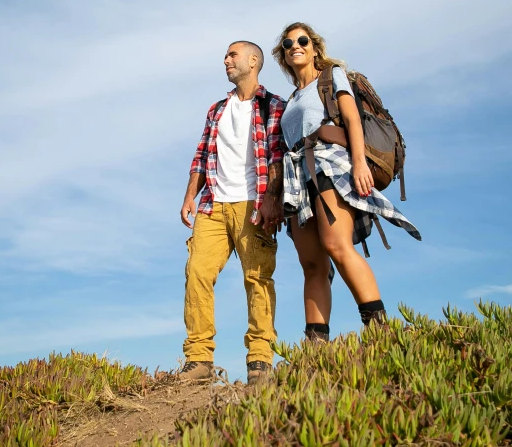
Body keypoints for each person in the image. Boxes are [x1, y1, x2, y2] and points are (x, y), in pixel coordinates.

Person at [271, 22, 421, 343]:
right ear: (283, 54)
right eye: (288, 43)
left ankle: (381, 334)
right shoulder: (293, 98)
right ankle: (317, 349)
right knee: (312, 265)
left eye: (302, 40)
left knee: (336, 245)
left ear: (314, 47)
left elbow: (352, 119)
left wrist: (359, 164)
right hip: (298, 176)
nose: (295, 45)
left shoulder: (332, 76)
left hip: (329, 162)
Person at [178, 40, 285, 384]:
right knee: (197, 272)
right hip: (213, 205)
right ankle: (199, 359)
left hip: (253, 203)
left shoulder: (273, 106)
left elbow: (278, 157)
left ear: (253, 61)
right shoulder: (216, 109)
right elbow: (201, 155)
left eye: (232, 54)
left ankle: (260, 361)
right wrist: (190, 196)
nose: (226, 60)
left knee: (257, 278)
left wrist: (271, 200)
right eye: (226, 55)